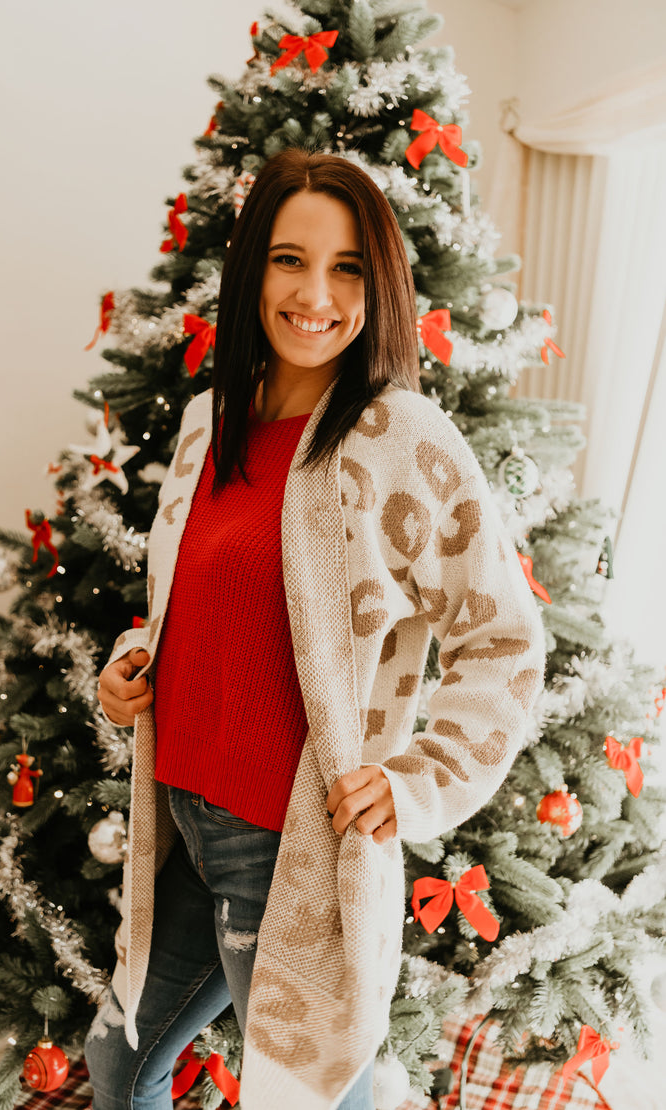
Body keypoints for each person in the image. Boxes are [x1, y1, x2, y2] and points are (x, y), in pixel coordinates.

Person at [84, 148, 545, 1110]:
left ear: (379, 289)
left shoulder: (400, 439)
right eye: (290, 260)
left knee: (313, 1091)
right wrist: (134, 668)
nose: (315, 294)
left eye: (346, 269)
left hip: (280, 845)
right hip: (180, 817)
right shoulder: (211, 425)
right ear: (254, 268)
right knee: (121, 1064)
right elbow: (195, 598)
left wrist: (420, 782)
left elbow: (502, 637)